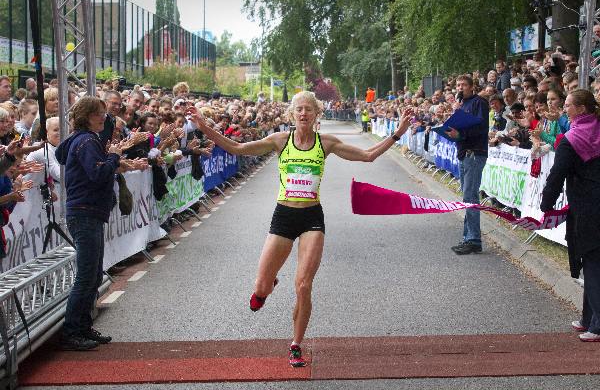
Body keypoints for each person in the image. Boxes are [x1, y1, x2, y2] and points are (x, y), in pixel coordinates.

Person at [187, 91, 412, 367]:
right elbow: (236, 148)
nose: (304, 114)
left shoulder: (325, 143)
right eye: (299, 110)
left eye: (309, 109)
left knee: (304, 286)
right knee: (261, 287)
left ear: (317, 114)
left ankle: (296, 344)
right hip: (283, 216)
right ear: (292, 114)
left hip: (311, 219)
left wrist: (398, 133)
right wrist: (203, 126)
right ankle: (265, 288)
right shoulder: (280, 141)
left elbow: (367, 156)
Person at [55, 96, 123, 351]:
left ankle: (83, 326)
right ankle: (72, 331)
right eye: (99, 113)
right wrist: (114, 157)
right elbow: (98, 174)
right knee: (86, 276)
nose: (104, 117)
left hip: (88, 212)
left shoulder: (82, 140)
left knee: (93, 274)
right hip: (85, 213)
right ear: (87, 116)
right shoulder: (86, 141)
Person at [540, 89, 600, 342]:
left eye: (567, 105)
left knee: (593, 262)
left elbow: (557, 174)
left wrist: (546, 205)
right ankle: (589, 318)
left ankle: (597, 326)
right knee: (593, 260)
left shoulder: (571, 138)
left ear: (582, 109)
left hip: (588, 208)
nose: (564, 109)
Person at [446, 75, 489, 255]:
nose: (460, 87)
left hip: (474, 153)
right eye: (458, 85)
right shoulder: (460, 105)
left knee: (470, 196)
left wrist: (460, 128)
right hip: (463, 153)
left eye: (464, 84)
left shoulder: (479, 102)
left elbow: (479, 127)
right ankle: (468, 237)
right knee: (466, 195)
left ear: (472, 87)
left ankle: (473, 239)